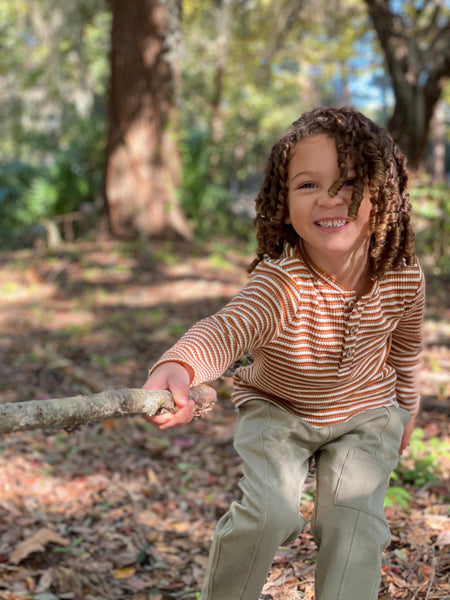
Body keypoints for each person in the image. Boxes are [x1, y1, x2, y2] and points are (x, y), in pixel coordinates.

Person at [142, 106, 425, 600]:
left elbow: (406, 350)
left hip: (366, 411)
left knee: (354, 521)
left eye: (349, 181)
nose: (330, 197)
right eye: (307, 185)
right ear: (283, 203)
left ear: (384, 196)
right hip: (280, 409)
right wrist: (179, 365)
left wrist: (408, 410)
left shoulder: (402, 275)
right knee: (267, 513)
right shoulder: (281, 280)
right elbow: (228, 328)